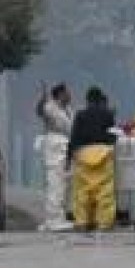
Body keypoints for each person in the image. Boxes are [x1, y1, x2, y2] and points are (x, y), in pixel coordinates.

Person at [66, 86, 119, 232]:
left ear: (87, 100)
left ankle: (82, 222)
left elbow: (74, 136)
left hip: (83, 155)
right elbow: (112, 134)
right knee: (105, 192)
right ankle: (104, 223)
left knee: (82, 192)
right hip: (103, 154)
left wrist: (68, 158)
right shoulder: (107, 114)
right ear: (100, 99)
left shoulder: (80, 115)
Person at [34, 83, 74, 231]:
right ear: (60, 94)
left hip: (65, 147)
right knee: (55, 184)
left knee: (64, 184)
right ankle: (53, 219)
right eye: (67, 93)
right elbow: (40, 111)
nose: (70, 96)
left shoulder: (69, 110)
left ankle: (59, 217)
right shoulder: (50, 107)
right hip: (55, 147)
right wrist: (42, 100)